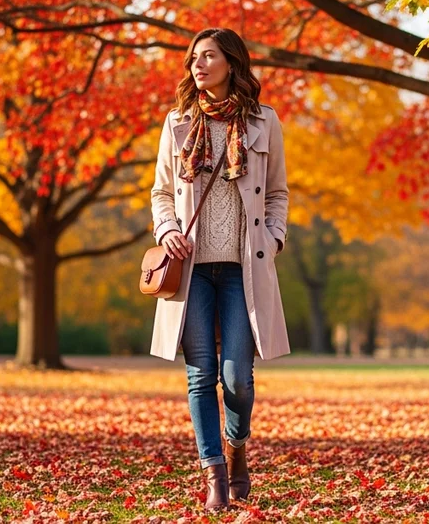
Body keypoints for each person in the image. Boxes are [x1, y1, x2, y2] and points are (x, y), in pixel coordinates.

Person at [148, 27, 292, 511]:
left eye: (208, 56)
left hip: (241, 269)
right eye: (193, 58)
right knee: (199, 375)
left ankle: (237, 447)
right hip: (191, 272)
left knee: (237, 379)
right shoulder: (177, 124)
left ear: (231, 62)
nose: (198, 65)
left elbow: (277, 193)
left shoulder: (263, 121)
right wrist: (167, 229)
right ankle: (213, 474)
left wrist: (273, 238)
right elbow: (161, 192)